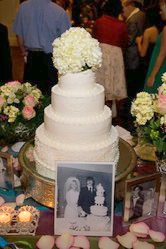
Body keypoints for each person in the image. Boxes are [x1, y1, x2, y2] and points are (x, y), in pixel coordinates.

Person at [13, 0, 71, 95]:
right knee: (50, 94)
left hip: (31, 57)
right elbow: (66, 40)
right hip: (51, 59)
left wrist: (24, 53)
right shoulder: (59, 11)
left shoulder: (23, 7)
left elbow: (19, 35)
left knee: (30, 96)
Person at [92, 0, 128, 117]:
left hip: (101, 53)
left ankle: (99, 110)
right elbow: (124, 43)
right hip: (117, 56)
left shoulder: (99, 22)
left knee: (100, 83)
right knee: (115, 84)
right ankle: (115, 115)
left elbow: (94, 39)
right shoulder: (122, 25)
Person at [122, 0, 146, 98]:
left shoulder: (132, 19)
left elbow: (129, 40)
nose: (122, 10)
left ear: (129, 6)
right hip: (139, 50)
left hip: (132, 54)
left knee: (132, 80)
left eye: (123, 8)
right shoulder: (142, 14)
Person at [144, 0, 166, 93]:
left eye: (161, 9)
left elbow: (162, 53)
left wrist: (152, 75)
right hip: (162, 66)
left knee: (153, 95)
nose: (160, 12)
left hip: (159, 69)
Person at [135, 7, 160, 82]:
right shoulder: (160, 29)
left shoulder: (148, 31)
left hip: (147, 62)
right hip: (156, 60)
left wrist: (138, 42)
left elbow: (143, 53)